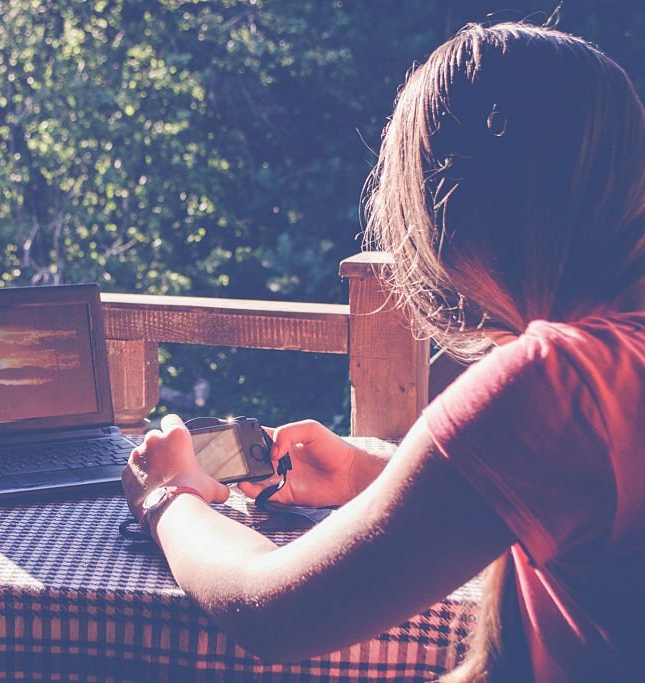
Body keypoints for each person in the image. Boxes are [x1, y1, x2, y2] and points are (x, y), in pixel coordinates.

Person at [121, 22, 645, 682]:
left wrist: (170, 497)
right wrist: (380, 478)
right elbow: (572, 507)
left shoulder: (560, 384)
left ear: (457, 208)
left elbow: (275, 611)